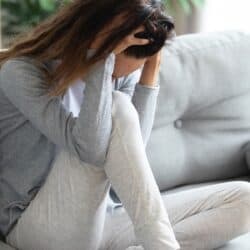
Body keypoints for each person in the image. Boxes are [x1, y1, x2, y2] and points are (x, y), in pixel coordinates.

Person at [0, 1, 250, 250]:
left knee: (244, 198)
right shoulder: (20, 72)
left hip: (103, 219)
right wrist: (102, 61)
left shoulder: (125, 74)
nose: (118, 79)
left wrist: (149, 75)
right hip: (36, 226)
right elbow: (92, 150)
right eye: (112, 71)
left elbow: (130, 159)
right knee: (116, 105)